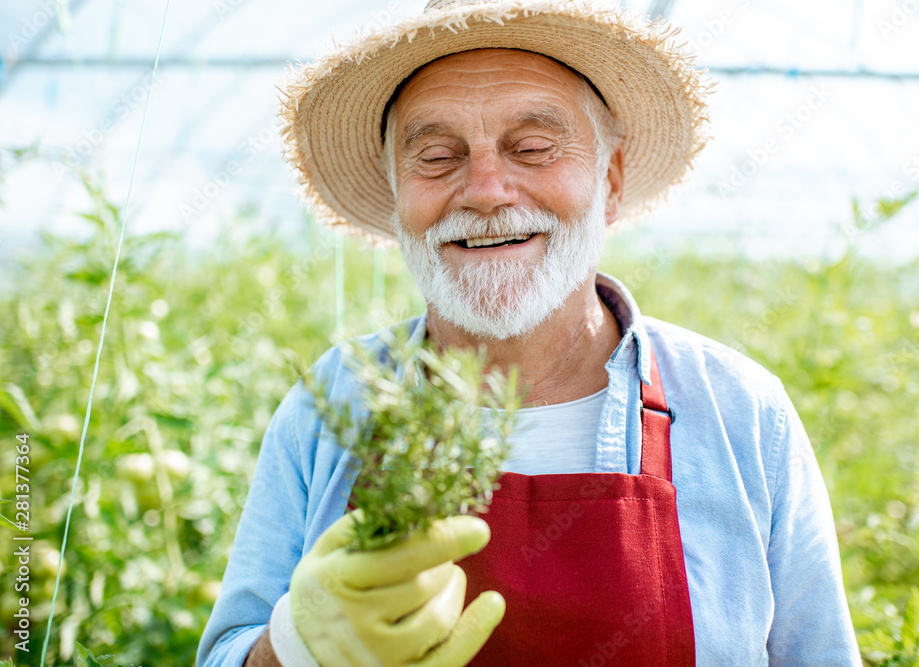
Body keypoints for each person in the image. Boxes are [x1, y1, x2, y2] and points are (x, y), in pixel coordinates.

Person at [197, 0, 862, 665]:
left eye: (534, 148)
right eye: (435, 155)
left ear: (612, 180)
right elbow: (225, 651)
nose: (485, 190)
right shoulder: (329, 405)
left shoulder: (739, 411)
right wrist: (291, 647)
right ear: (397, 190)